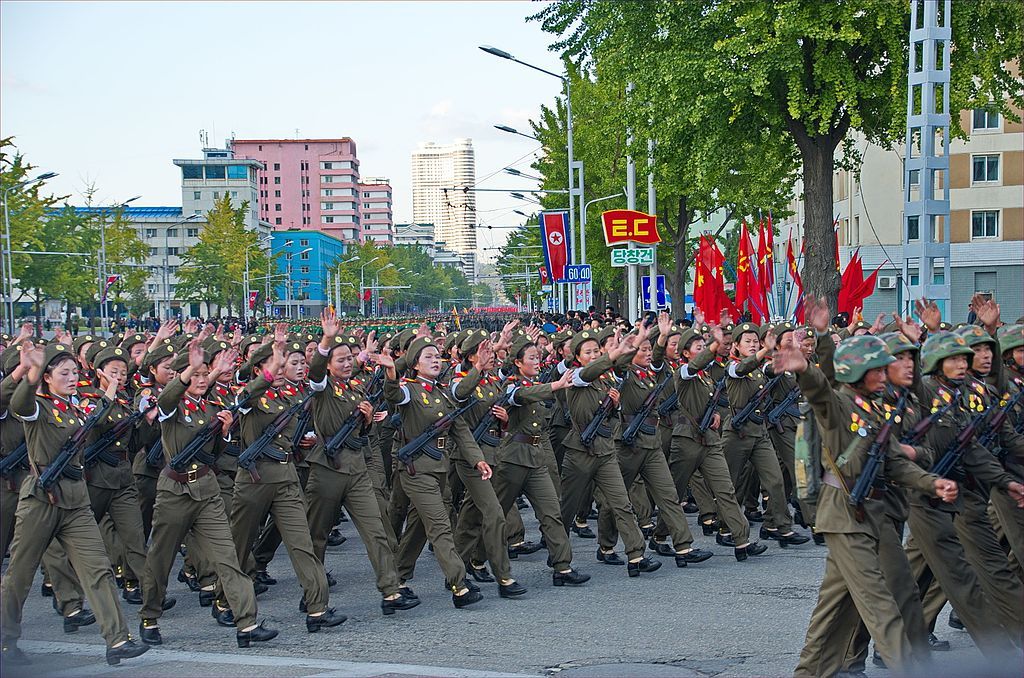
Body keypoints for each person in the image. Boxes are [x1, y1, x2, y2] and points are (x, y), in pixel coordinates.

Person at [778, 300, 959, 676]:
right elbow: (820, 395)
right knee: (881, 605)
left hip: (868, 515)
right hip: (844, 514)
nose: (884, 372)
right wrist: (805, 370)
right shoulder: (841, 404)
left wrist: (932, 483)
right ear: (859, 371)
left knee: (832, 609)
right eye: (877, 368)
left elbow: (893, 460)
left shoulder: (876, 409)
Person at [2, 341, 149, 666]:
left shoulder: (74, 407)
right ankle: (5, 639)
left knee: (98, 569)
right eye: (63, 372)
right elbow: (18, 402)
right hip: (41, 499)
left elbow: (99, 416)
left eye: (74, 371)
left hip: (76, 500)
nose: (71, 377)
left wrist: (110, 391)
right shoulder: (37, 405)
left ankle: (118, 639)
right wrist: (31, 371)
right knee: (20, 574)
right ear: (47, 377)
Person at [137, 341, 277, 648]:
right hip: (174, 492)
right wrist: (192, 369)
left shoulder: (211, 408)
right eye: (196, 376)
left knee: (227, 557)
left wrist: (224, 432)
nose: (202, 381)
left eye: (205, 376)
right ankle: (150, 616)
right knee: (160, 557)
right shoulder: (170, 407)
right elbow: (167, 396)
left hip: (207, 490)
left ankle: (246, 622)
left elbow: (213, 454)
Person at [304, 310, 419, 615]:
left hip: (356, 466)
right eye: (339, 359)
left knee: (375, 529)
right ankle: (313, 594)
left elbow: (361, 431)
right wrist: (327, 339)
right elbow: (315, 371)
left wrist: (367, 420)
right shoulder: (323, 387)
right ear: (329, 364)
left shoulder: (355, 389)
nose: (345, 363)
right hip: (328, 468)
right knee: (316, 536)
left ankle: (391, 590)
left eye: (348, 359)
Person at [372, 336, 487, 608]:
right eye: (428, 357)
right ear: (414, 364)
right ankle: (459, 585)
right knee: (440, 526)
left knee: (420, 527)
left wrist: (477, 460)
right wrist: (390, 373)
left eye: (437, 356)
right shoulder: (409, 389)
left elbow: (460, 430)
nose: (435, 360)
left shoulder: (442, 392)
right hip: (416, 471)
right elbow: (393, 395)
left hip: (439, 469)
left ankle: (398, 577)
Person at [557, 326, 662, 577]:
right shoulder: (576, 375)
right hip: (579, 453)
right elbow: (593, 371)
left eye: (596, 351)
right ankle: (560, 562)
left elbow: (617, 367)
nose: (593, 355)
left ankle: (636, 555)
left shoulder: (606, 378)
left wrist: (632, 344)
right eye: (588, 352)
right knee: (566, 510)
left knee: (621, 503)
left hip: (604, 451)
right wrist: (611, 356)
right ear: (577, 357)